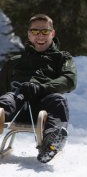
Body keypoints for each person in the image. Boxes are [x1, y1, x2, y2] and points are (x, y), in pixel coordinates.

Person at [0, 14, 77, 163]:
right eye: (35, 31)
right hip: (17, 105)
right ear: (29, 34)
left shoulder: (62, 58)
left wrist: (42, 88)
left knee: (58, 101)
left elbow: (69, 80)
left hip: (46, 107)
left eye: (45, 31)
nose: (40, 36)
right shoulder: (15, 62)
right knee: (6, 99)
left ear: (52, 33)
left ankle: (51, 143)